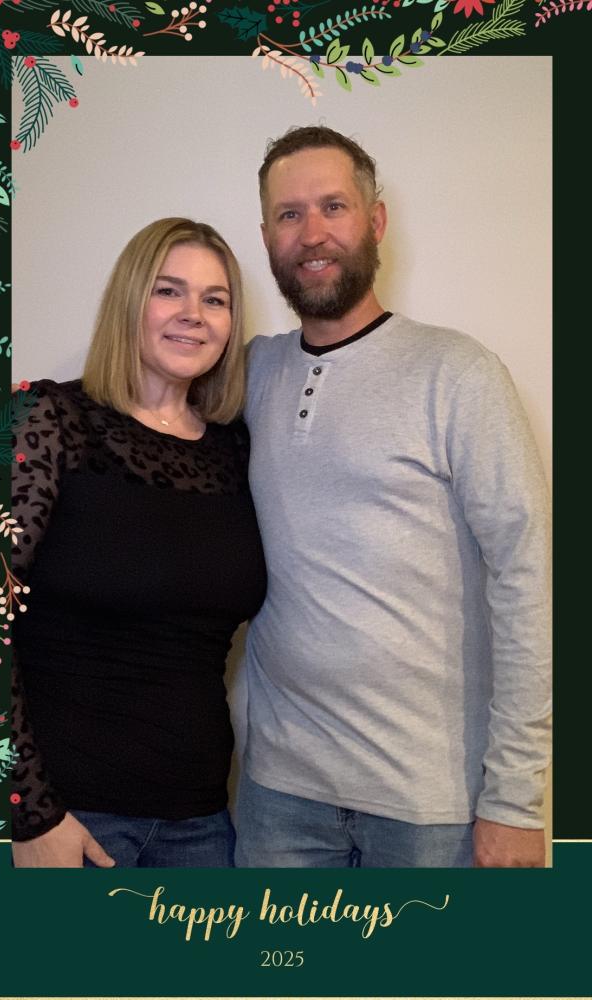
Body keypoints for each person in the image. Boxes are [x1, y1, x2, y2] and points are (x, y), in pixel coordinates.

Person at [236, 126, 551, 869]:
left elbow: (527, 580)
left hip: (430, 809)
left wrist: (515, 797)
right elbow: (144, 404)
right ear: (267, 236)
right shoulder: (248, 374)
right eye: (289, 214)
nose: (312, 233)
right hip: (278, 797)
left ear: (375, 221)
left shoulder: (458, 373)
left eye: (334, 206)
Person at [11, 217, 266, 868]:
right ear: (130, 301)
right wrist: (30, 814)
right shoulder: (52, 419)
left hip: (202, 821)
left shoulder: (236, 450)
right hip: (71, 818)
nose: (193, 314)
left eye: (215, 299)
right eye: (168, 290)